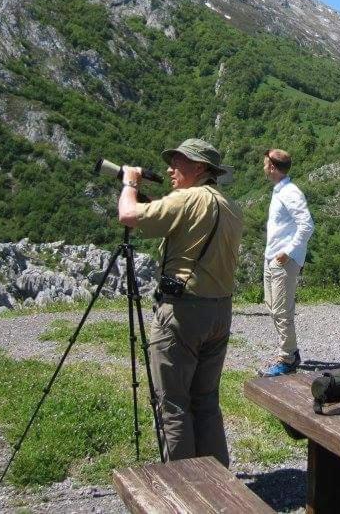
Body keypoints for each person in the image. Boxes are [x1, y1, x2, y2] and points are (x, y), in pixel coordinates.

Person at [118, 138, 243, 466]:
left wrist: (130, 182)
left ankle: (182, 489)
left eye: (179, 162)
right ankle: (217, 482)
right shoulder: (229, 206)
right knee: (205, 400)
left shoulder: (187, 200)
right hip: (220, 311)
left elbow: (128, 214)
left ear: (200, 168)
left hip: (184, 312)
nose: (171, 169)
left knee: (172, 404)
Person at [260, 148, 314, 377]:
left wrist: (289, 252)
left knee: (282, 311)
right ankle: (291, 351)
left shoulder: (290, 192)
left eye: (265, 163)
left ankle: (287, 358)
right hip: (272, 257)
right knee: (272, 306)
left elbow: (307, 224)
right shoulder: (279, 190)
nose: (263, 167)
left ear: (272, 167)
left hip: (283, 260)